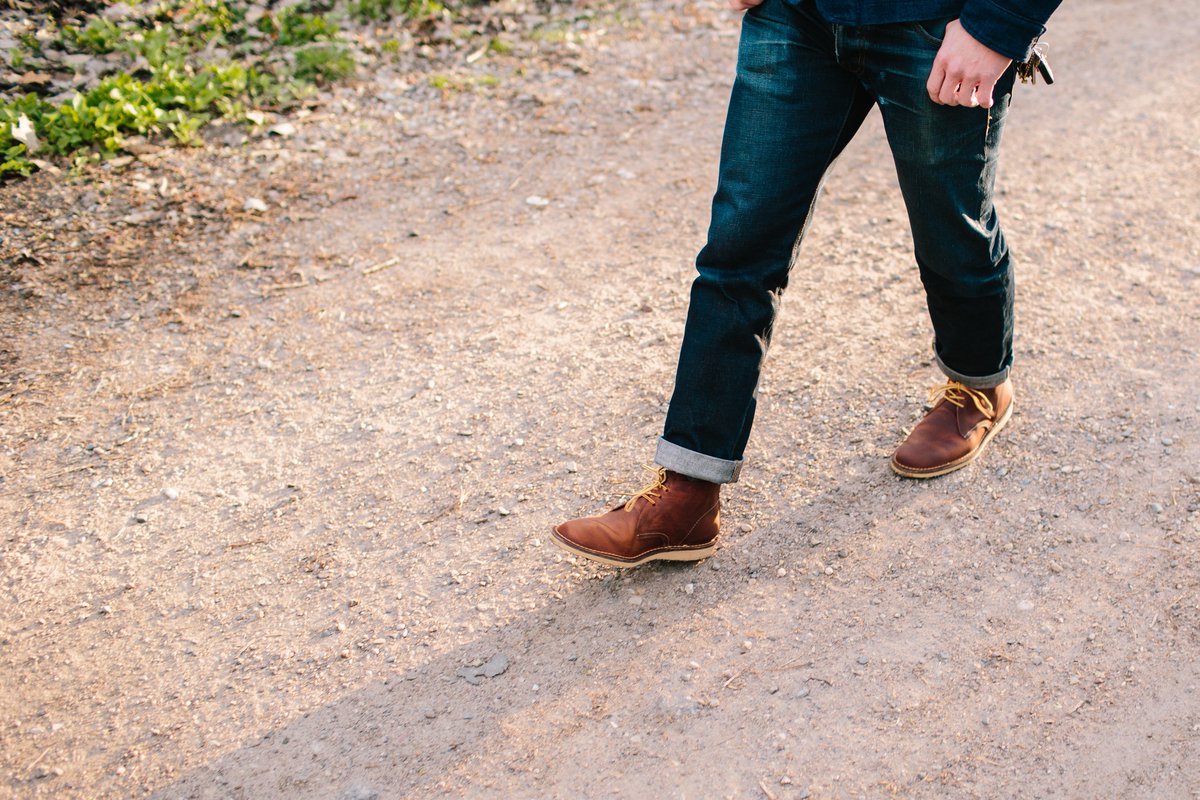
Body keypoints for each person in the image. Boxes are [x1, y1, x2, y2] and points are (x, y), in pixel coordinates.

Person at [552, 0, 1062, 567]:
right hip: (796, 15)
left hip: (938, 23)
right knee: (740, 244)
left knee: (949, 231)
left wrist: (998, 27)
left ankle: (978, 384)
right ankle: (687, 495)